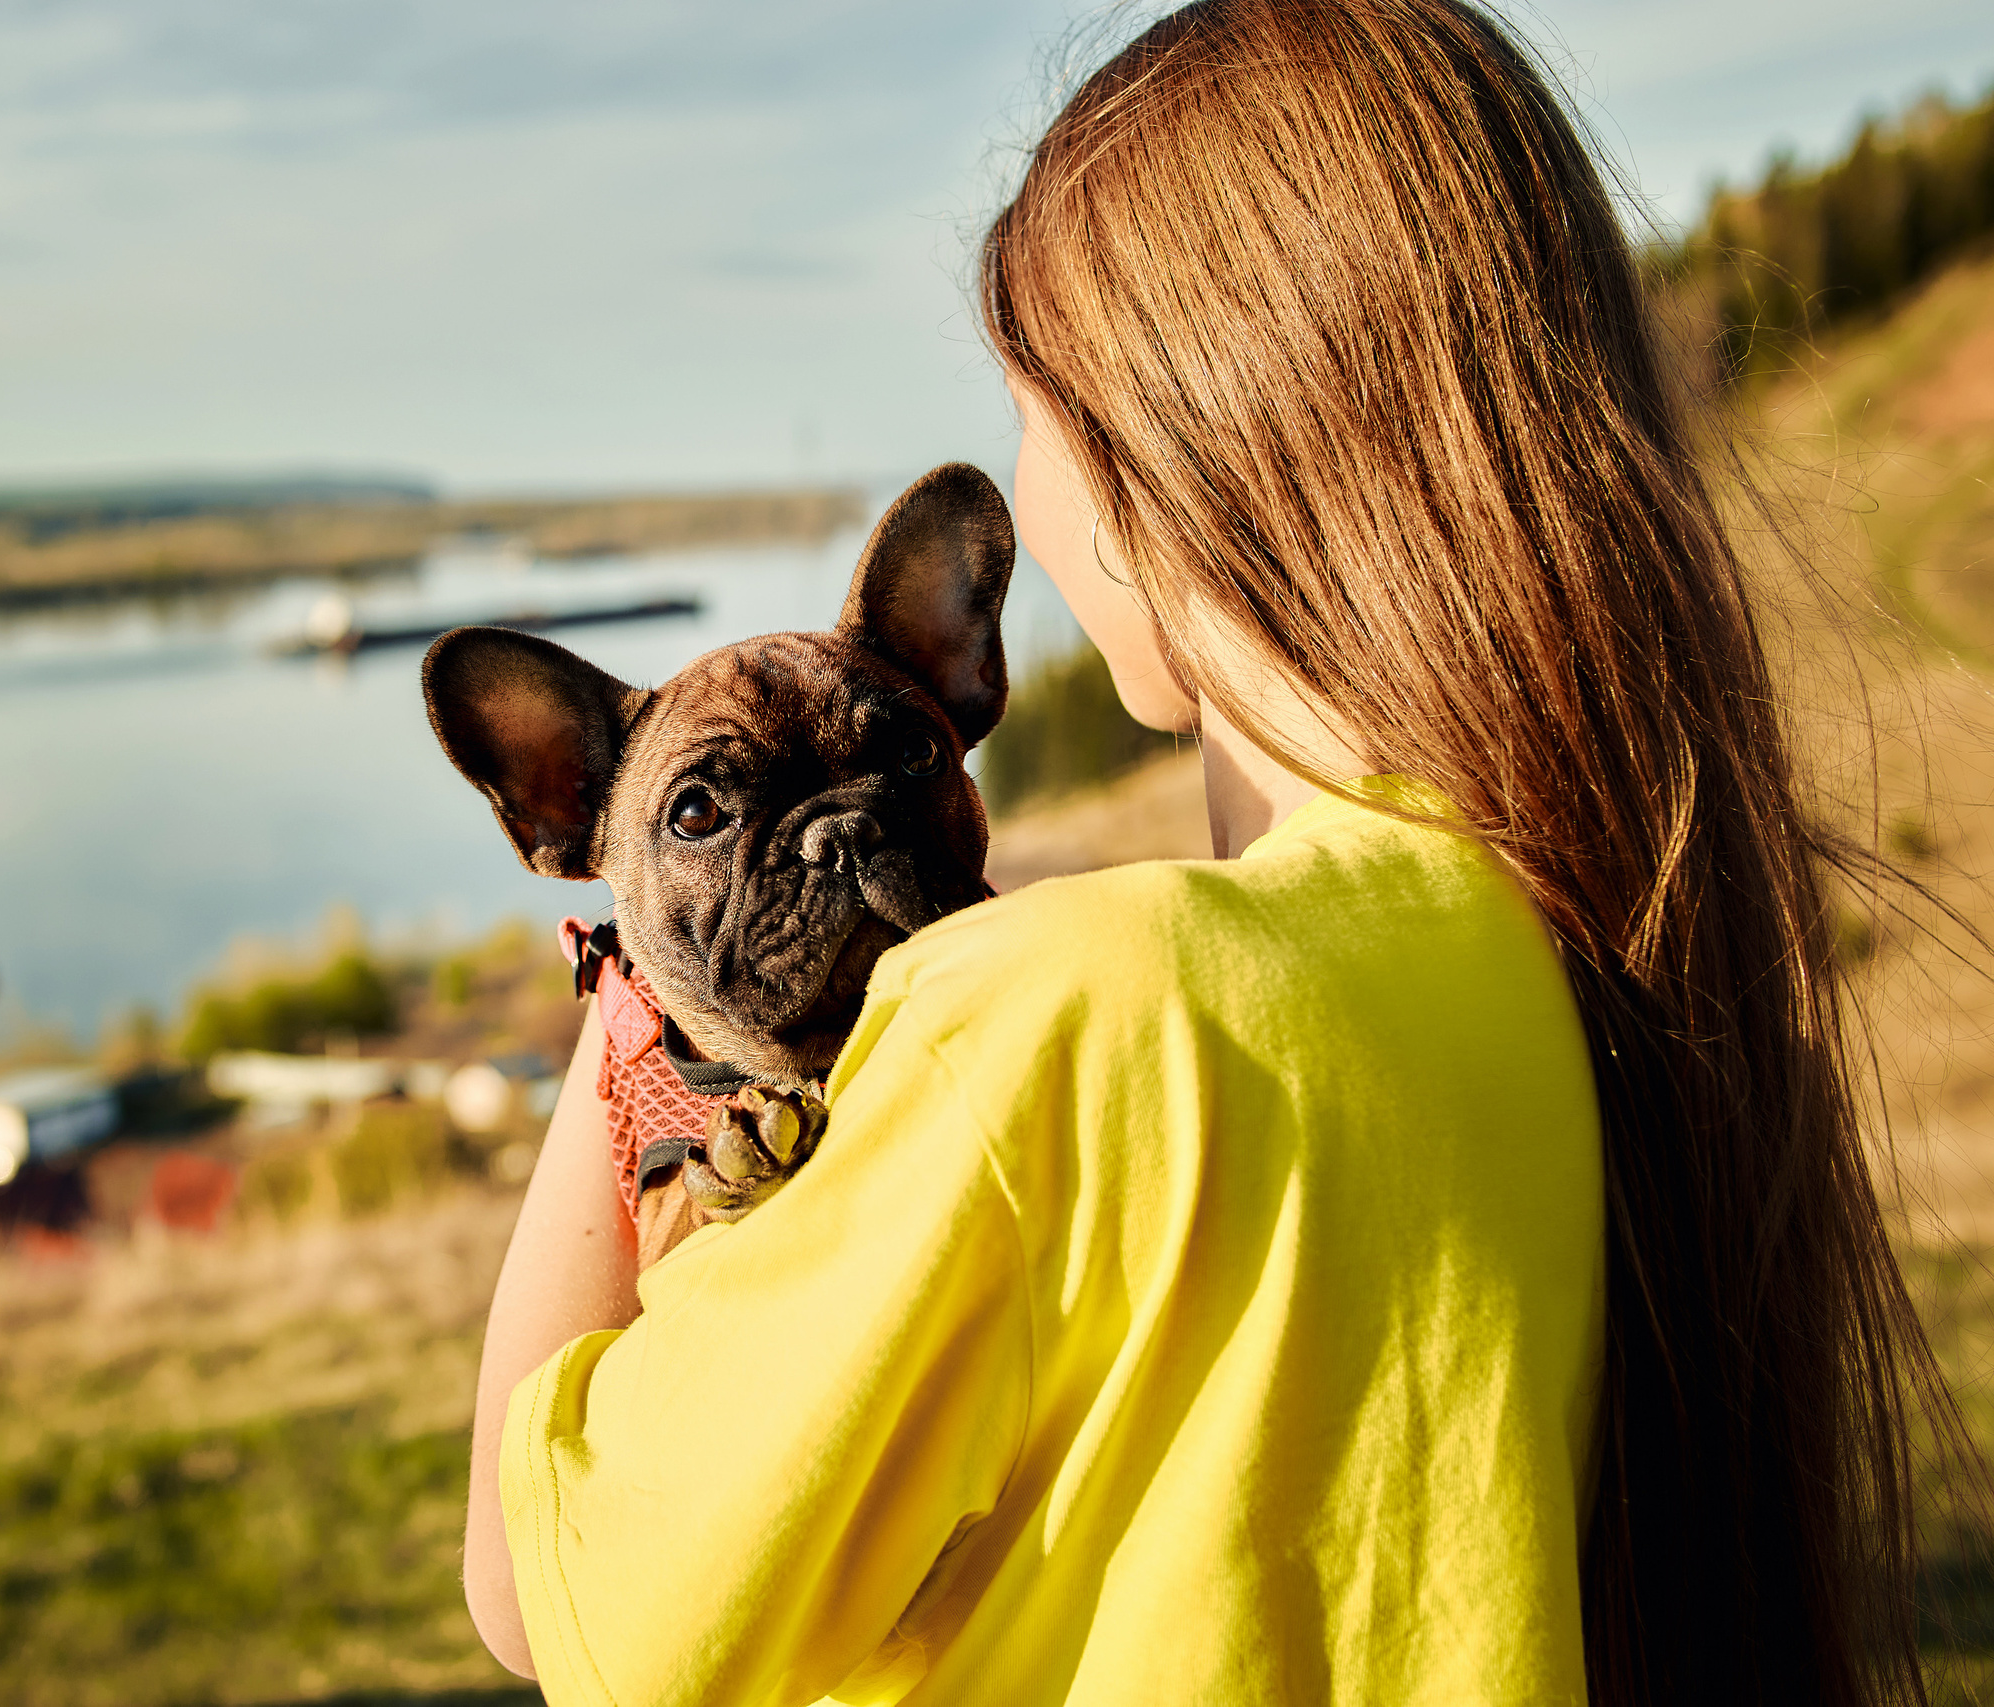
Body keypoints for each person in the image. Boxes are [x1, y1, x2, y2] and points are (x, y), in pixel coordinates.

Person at [461, 3, 1948, 1704]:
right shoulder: (1562, 932)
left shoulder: (1065, 1015)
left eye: (1026, 411)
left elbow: (549, 1590)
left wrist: (629, 1014)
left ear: (1147, 466)